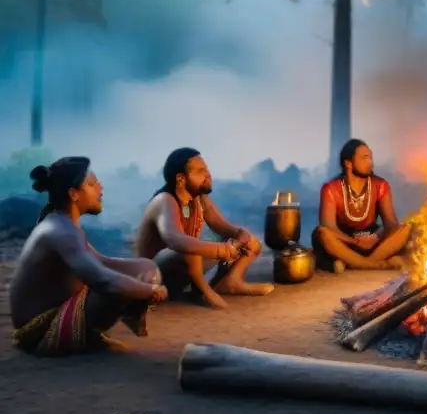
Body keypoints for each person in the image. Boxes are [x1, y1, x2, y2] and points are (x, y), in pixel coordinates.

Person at [10, 157, 167, 356]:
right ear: (74, 194)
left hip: (54, 315)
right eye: (92, 184)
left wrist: (145, 273)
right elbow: (103, 280)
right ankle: (87, 336)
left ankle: (101, 327)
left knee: (146, 270)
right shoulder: (61, 231)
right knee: (118, 286)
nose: (99, 188)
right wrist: (149, 290)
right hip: (39, 333)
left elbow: (102, 262)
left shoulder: (65, 225)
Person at [135, 148, 273, 309]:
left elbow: (219, 225)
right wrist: (223, 250)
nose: (208, 174)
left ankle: (230, 282)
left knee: (250, 241)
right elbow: (175, 240)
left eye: (206, 169)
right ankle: (204, 291)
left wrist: (239, 234)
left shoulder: (198, 197)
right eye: (201, 171)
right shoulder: (165, 200)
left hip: (185, 264)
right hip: (154, 276)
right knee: (189, 246)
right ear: (180, 178)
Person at [313, 139, 411, 271]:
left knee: (404, 229)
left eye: (370, 157)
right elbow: (329, 226)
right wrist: (355, 241)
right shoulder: (331, 189)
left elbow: (391, 223)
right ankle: (371, 264)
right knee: (322, 233)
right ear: (348, 163)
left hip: (372, 242)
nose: (370, 162)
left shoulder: (380, 185)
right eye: (364, 158)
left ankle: (354, 263)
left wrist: (374, 237)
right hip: (343, 242)